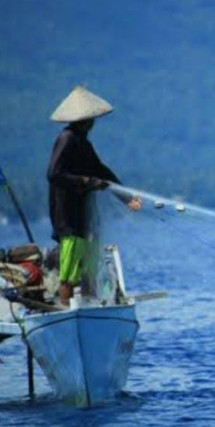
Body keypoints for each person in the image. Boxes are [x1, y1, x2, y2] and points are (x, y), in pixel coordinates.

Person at [47, 86, 141, 305]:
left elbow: (100, 171)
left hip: (83, 216)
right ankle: (67, 309)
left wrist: (126, 197)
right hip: (67, 218)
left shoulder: (83, 143)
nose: (94, 122)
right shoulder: (67, 139)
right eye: (91, 118)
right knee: (68, 274)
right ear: (85, 119)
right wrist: (87, 182)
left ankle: (89, 307)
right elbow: (54, 174)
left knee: (90, 267)